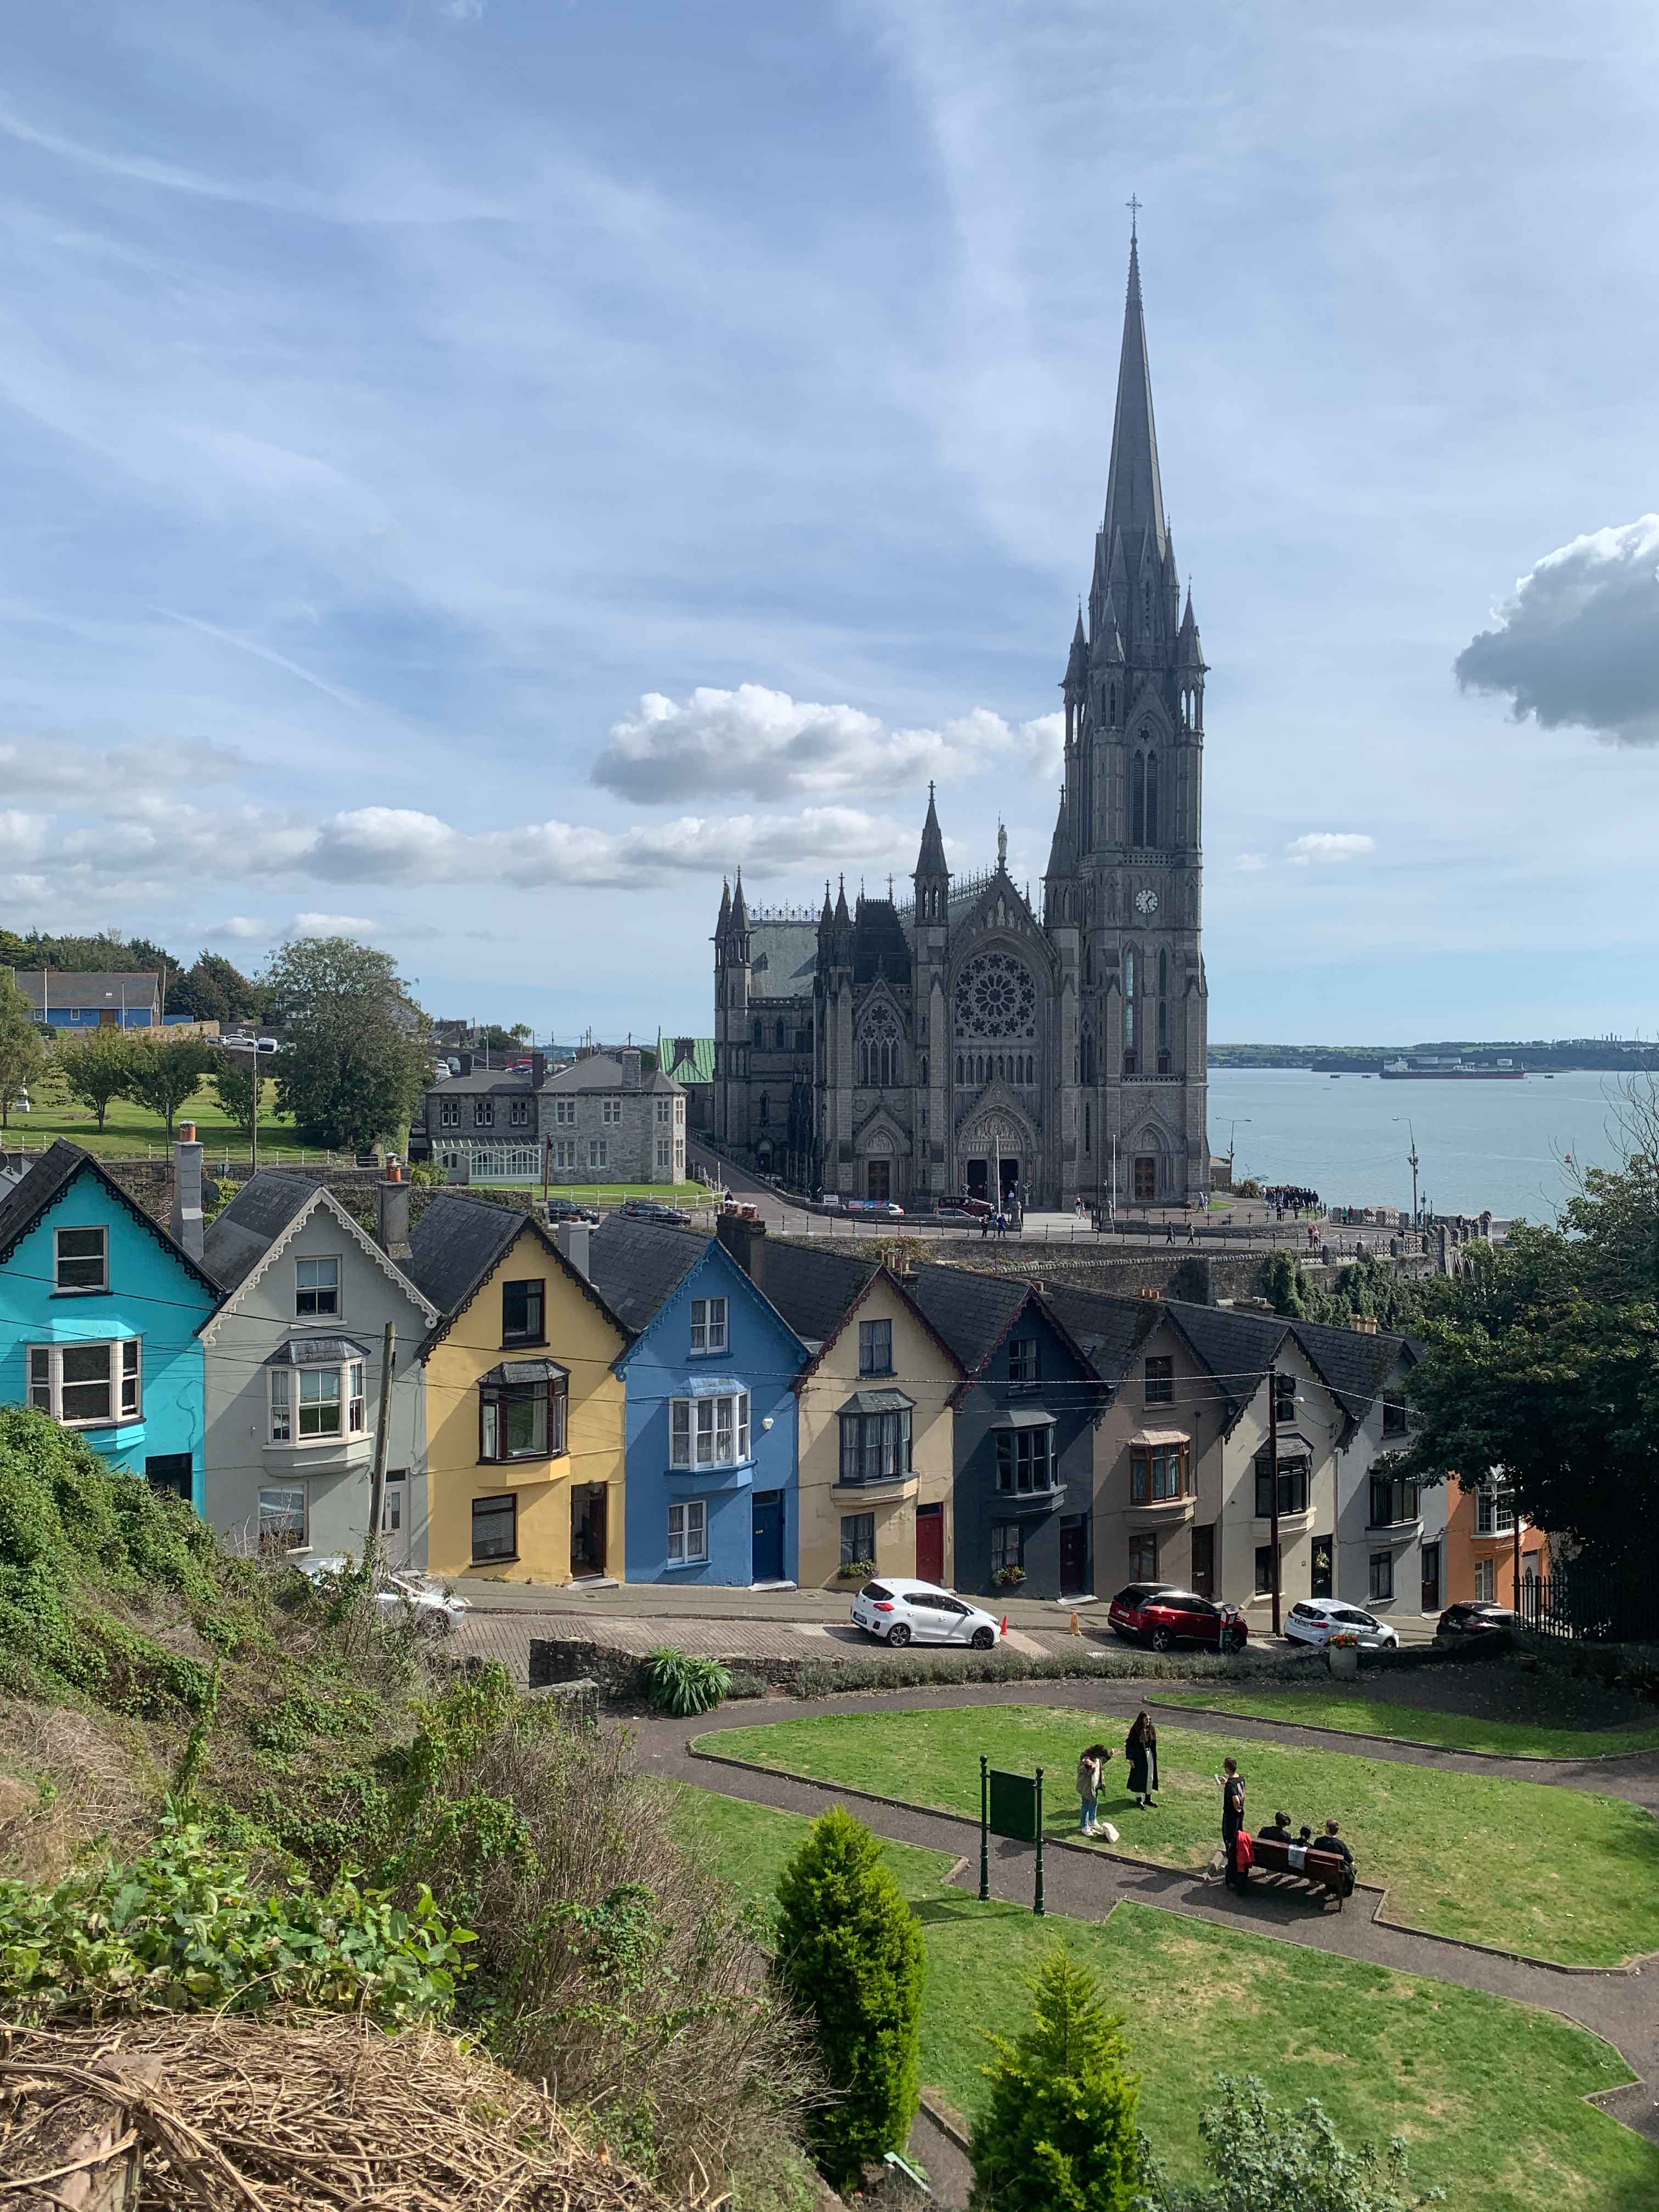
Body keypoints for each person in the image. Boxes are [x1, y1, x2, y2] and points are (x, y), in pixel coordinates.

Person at [1221, 1757, 1247, 1889]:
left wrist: (1236, 1807)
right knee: (1238, 1836)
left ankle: (1231, 1864)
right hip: (1240, 1815)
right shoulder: (1240, 1779)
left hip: (1231, 1816)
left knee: (1229, 1839)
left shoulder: (1231, 1785)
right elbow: (1241, 1793)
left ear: (1227, 1768)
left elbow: (1235, 1799)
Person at [1075, 1742, 1111, 1835]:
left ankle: (1092, 1821)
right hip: (1087, 1787)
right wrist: (1088, 1766)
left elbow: (1102, 1762)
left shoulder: (1097, 1758)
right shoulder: (1086, 1759)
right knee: (1086, 1806)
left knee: (1094, 1803)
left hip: (1095, 1786)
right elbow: (1081, 1769)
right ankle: (1084, 1826)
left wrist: (1109, 1756)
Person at [1125, 1712, 1159, 1808]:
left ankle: (1148, 1798)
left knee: (1150, 1776)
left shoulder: (1151, 1729)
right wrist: (1131, 1758)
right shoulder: (1136, 1730)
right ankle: (1139, 1799)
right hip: (1139, 1757)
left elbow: (1153, 1743)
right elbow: (1129, 1744)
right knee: (1139, 1777)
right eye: (1146, 1719)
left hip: (1149, 1755)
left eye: (1149, 1720)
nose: (1148, 1721)